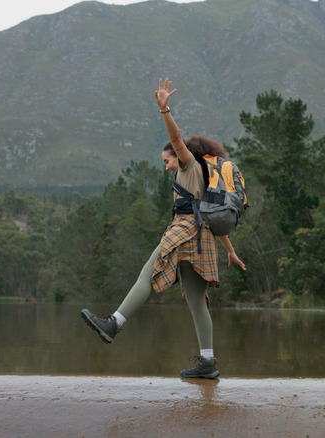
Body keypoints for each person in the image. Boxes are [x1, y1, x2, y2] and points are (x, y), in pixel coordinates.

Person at [81, 78, 246, 379]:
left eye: (166, 160)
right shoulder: (204, 177)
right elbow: (211, 217)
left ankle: (113, 324)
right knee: (197, 302)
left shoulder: (189, 165)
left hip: (184, 229)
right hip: (203, 236)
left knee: (149, 272)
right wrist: (231, 252)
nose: (166, 165)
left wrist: (164, 110)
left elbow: (178, 140)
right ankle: (208, 363)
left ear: (178, 156)